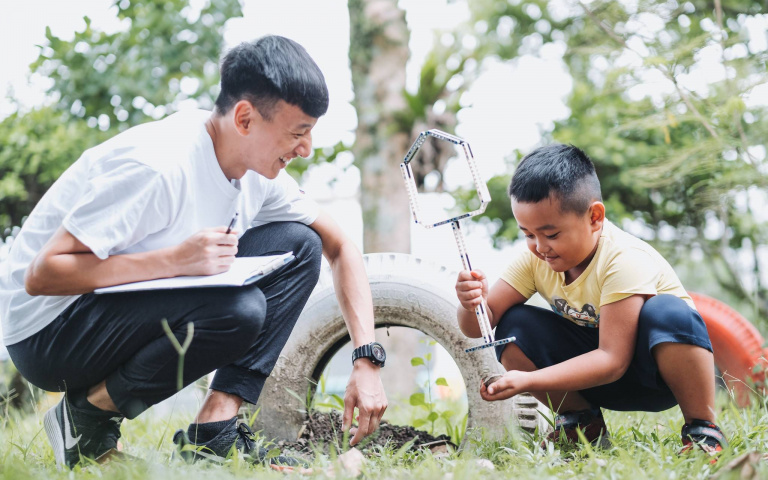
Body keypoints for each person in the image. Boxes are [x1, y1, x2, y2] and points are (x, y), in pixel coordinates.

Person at [0, 35, 388, 469]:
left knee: (301, 245)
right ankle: (85, 421)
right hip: (47, 331)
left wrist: (367, 358)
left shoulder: (257, 172)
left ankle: (213, 434)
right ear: (244, 119)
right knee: (239, 310)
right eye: (298, 132)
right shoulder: (158, 166)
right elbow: (43, 275)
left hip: (108, 304)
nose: (306, 148)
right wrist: (174, 262)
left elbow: (340, 247)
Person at [454, 144, 728, 456]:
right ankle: (582, 426)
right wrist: (470, 303)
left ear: (595, 217)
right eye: (528, 234)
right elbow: (479, 328)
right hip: (594, 380)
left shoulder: (623, 258)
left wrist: (530, 380)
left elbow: (613, 360)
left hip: (656, 377)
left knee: (666, 311)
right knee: (513, 323)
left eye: (551, 234)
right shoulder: (535, 260)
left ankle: (702, 431)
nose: (539, 246)